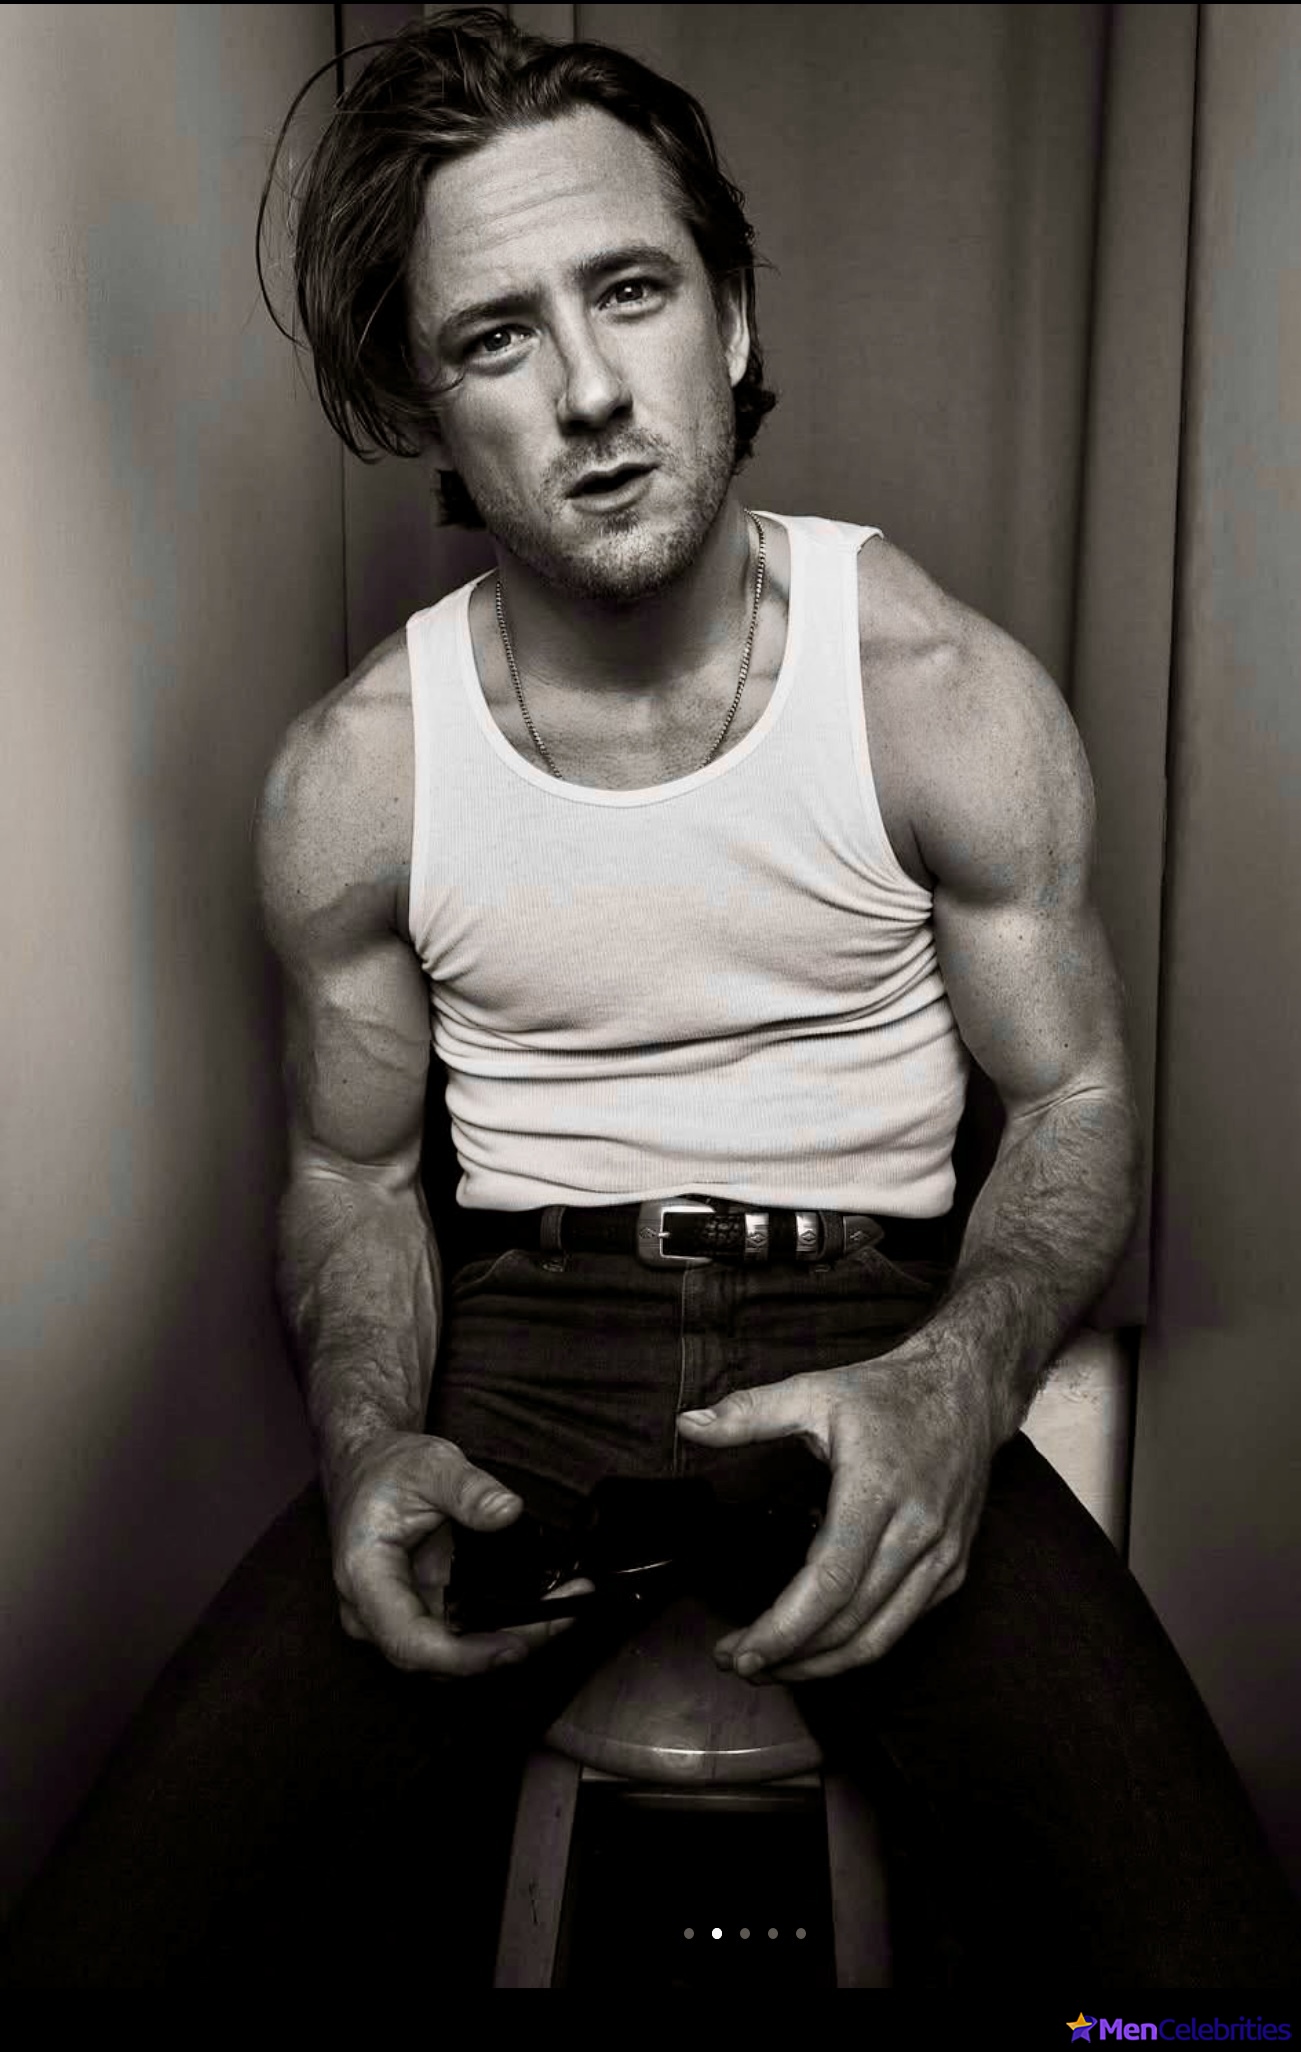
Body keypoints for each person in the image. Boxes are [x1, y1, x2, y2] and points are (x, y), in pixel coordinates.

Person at [2, 9, 1298, 1990]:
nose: (591, 390)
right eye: (496, 338)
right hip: (524, 1354)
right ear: (433, 413)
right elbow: (352, 1180)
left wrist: (957, 1385)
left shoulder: (935, 692)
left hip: (874, 1334)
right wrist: (367, 1444)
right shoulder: (359, 777)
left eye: (631, 290)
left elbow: (1073, 1105)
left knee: (1203, 2000)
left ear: (734, 316)